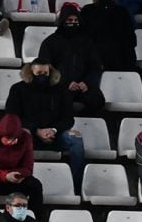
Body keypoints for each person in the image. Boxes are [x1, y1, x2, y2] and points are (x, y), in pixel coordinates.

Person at [5, 59, 85, 190]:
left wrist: (53, 130)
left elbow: (68, 119)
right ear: (30, 72)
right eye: (39, 73)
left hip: (55, 135)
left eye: (45, 73)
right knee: (20, 135)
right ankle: (20, 184)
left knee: (76, 140)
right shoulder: (18, 89)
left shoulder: (60, 90)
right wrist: (36, 130)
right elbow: (12, 117)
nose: (42, 76)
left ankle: (76, 187)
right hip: (30, 134)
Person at [38, 3, 106, 115]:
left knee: (97, 100)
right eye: (69, 20)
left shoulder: (87, 42)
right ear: (63, 21)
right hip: (59, 85)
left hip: (83, 86)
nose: (73, 23)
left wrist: (87, 83)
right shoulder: (50, 42)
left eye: (76, 20)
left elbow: (96, 67)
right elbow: (45, 69)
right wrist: (65, 83)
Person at [0, 113, 45, 217]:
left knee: (35, 185)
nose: (10, 142)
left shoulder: (26, 138)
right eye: (7, 139)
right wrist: (3, 175)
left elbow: (28, 167)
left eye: (14, 139)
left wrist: (15, 174)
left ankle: (34, 220)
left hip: (16, 178)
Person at [81, 0, 137, 70]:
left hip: (118, 53)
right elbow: (83, 34)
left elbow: (130, 36)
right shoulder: (88, 10)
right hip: (95, 51)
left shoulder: (122, 11)